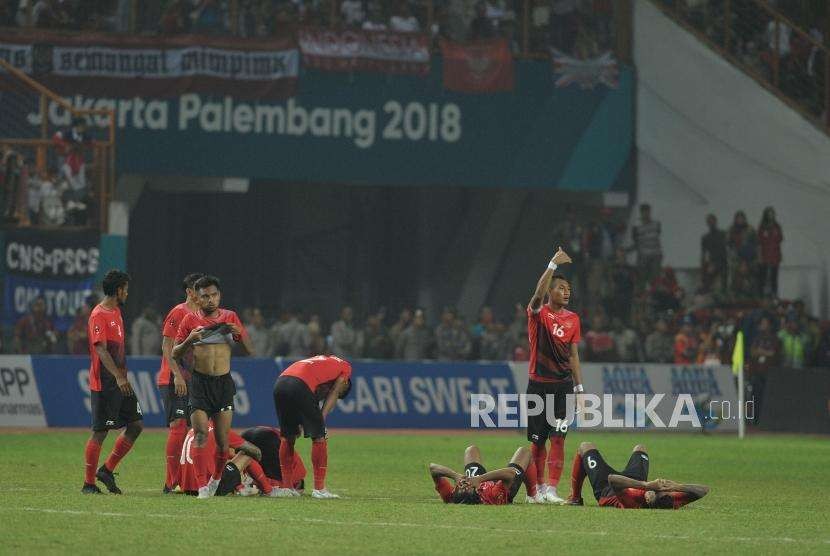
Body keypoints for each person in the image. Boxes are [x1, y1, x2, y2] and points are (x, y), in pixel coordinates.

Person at [173, 275, 254, 498]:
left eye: (214, 295)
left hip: (223, 384)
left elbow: (250, 350)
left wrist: (238, 335)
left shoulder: (230, 317)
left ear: (220, 296)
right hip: (200, 383)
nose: (211, 300)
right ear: (197, 299)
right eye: (205, 296)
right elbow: (175, 353)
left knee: (222, 442)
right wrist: (189, 339)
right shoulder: (189, 321)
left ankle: (215, 480)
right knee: (200, 433)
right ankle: (201, 488)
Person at [525, 246, 583, 504]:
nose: (566, 291)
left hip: (563, 388)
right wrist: (552, 265)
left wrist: (580, 390)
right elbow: (537, 294)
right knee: (538, 443)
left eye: (568, 289)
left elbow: (573, 356)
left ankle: (551, 489)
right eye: (561, 288)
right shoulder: (539, 314)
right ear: (550, 292)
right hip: (538, 385)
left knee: (558, 438)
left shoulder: (573, 319)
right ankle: (536, 490)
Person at [82, 270, 143, 495]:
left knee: (136, 424)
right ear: (118, 290)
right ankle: (88, 483)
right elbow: (100, 349)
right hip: (106, 383)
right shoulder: (98, 314)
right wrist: (117, 376)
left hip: (121, 382)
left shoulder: (117, 311)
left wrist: (122, 377)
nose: (127, 292)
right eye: (126, 288)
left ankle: (106, 470)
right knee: (100, 432)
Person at [273, 355, 352, 499]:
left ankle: (287, 487)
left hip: (280, 383)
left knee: (288, 437)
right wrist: (321, 421)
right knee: (319, 437)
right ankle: (319, 489)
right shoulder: (346, 369)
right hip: (300, 385)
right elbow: (334, 391)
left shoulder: (322, 360)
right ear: (346, 384)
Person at [158, 272, 203, 494]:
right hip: (173, 378)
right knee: (178, 426)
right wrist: (176, 374)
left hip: (194, 379)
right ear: (189, 292)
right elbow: (166, 346)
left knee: (193, 428)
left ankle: (188, 478)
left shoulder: (203, 315)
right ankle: (170, 481)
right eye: (198, 288)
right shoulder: (178, 312)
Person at [565, 441, 709, 509]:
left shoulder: (633, 501)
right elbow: (704, 490)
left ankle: (575, 498)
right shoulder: (671, 499)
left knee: (585, 447)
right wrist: (677, 486)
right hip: (636, 480)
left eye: (650, 495)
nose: (669, 493)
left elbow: (612, 480)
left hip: (608, 489)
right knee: (641, 448)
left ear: (647, 499)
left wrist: (646, 485)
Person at [215, 425, 307, 496]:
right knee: (272, 486)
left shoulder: (299, 467)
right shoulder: (298, 475)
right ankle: (257, 488)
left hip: (248, 433)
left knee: (245, 458)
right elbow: (284, 487)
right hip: (269, 439)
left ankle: (242, 484)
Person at [429, 445, 537, 505]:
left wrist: (455, 476)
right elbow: (510, 473)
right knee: (524, 452)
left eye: (461, 486)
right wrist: (480, 479)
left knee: (471, 449)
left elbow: (433, 468)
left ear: (455, 490)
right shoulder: (492, 495)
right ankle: (532, 496)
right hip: (504, 486)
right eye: (466, 487)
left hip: (478, 481)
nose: (464, 483)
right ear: (475, 490)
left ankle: (477, 479)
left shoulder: (450, 496)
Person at [631, 203, 663, 286]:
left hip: (656, 255)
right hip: (643, 256)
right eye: (644, 212)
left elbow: (658, 234)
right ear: (641, 212)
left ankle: (654, 294)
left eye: (647, 211)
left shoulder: (656, 224)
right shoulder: (636, 226)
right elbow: (635, 241)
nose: (646, 214)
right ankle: (641, 295)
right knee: (641, 278)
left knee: (655, 279)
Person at [757, 207, 783, 297]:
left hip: (775, 256)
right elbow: (759, 240)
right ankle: (761, 295)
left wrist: (775, 235)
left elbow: (780, 238)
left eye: (772, 213)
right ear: (766, 215)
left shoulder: (777, 226)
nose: (771, 215)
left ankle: (774, 294)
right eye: (769, 213)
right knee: (763, 277)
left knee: (774, 278)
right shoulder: (762, 226)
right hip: (764, 256)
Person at [701, 214, 728, 293]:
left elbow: (729, 248)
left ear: (716, 222)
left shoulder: (723, 234)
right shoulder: (705, 237)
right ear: (707, 223)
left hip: (724, 262)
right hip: (712, 263)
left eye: (713, 221)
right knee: (708, 282)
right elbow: (703, 254)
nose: (711, 223)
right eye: (709, 222)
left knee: (724, 283)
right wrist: (706, 267)